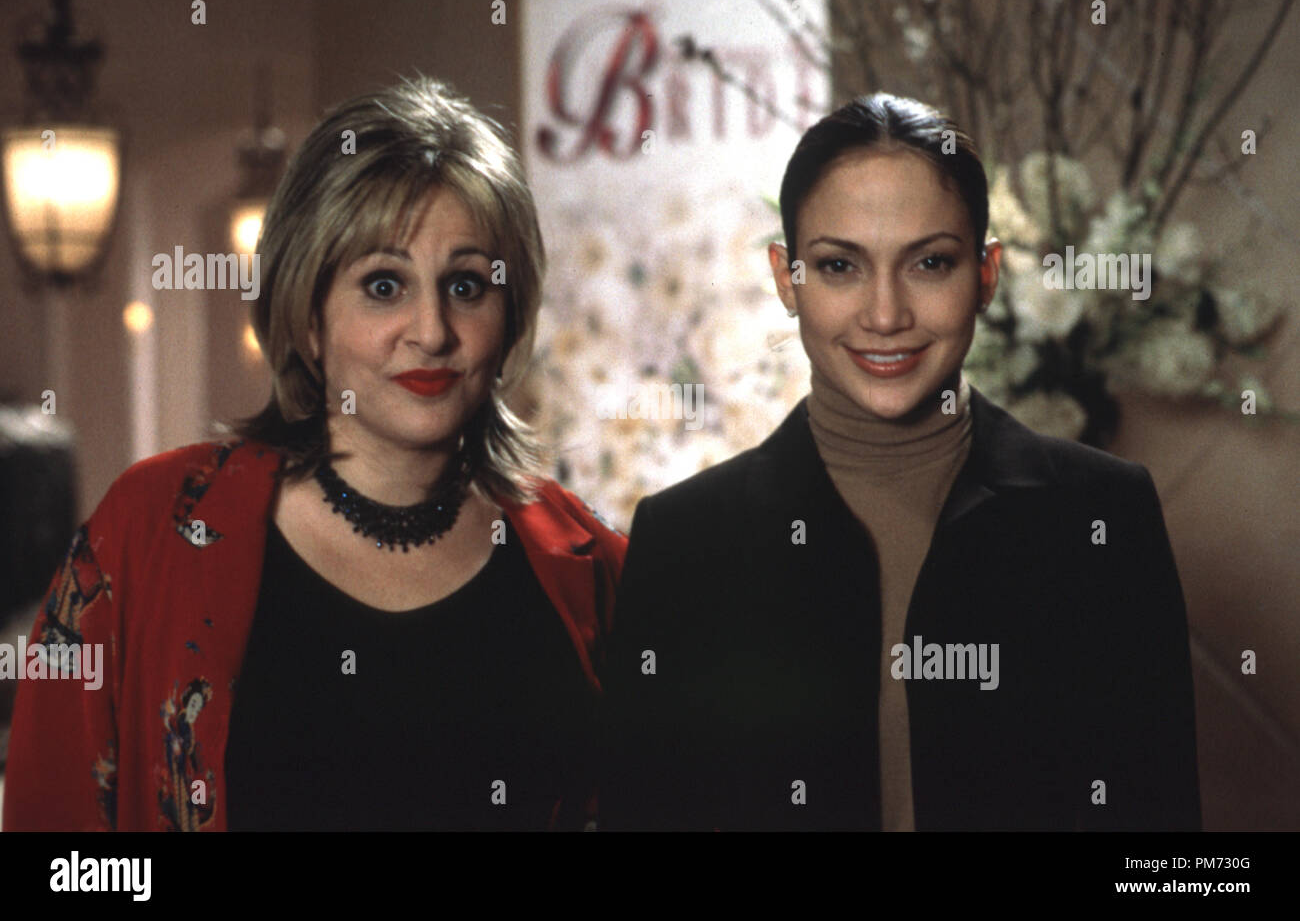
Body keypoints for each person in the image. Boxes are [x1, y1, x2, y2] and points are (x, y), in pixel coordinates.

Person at [3, 77, 626, 832]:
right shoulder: (146, 533)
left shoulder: (591, 570)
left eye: (466, 285)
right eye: (383, 284)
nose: (430, 330)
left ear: (511, 315)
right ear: (307, 321)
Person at [599, 93, 1200, 831]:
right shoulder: (682, 542)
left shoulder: (1103, 515)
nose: (885, 315)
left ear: (985, 275)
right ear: (787, 279)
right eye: (841, 265)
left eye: (930, 262)